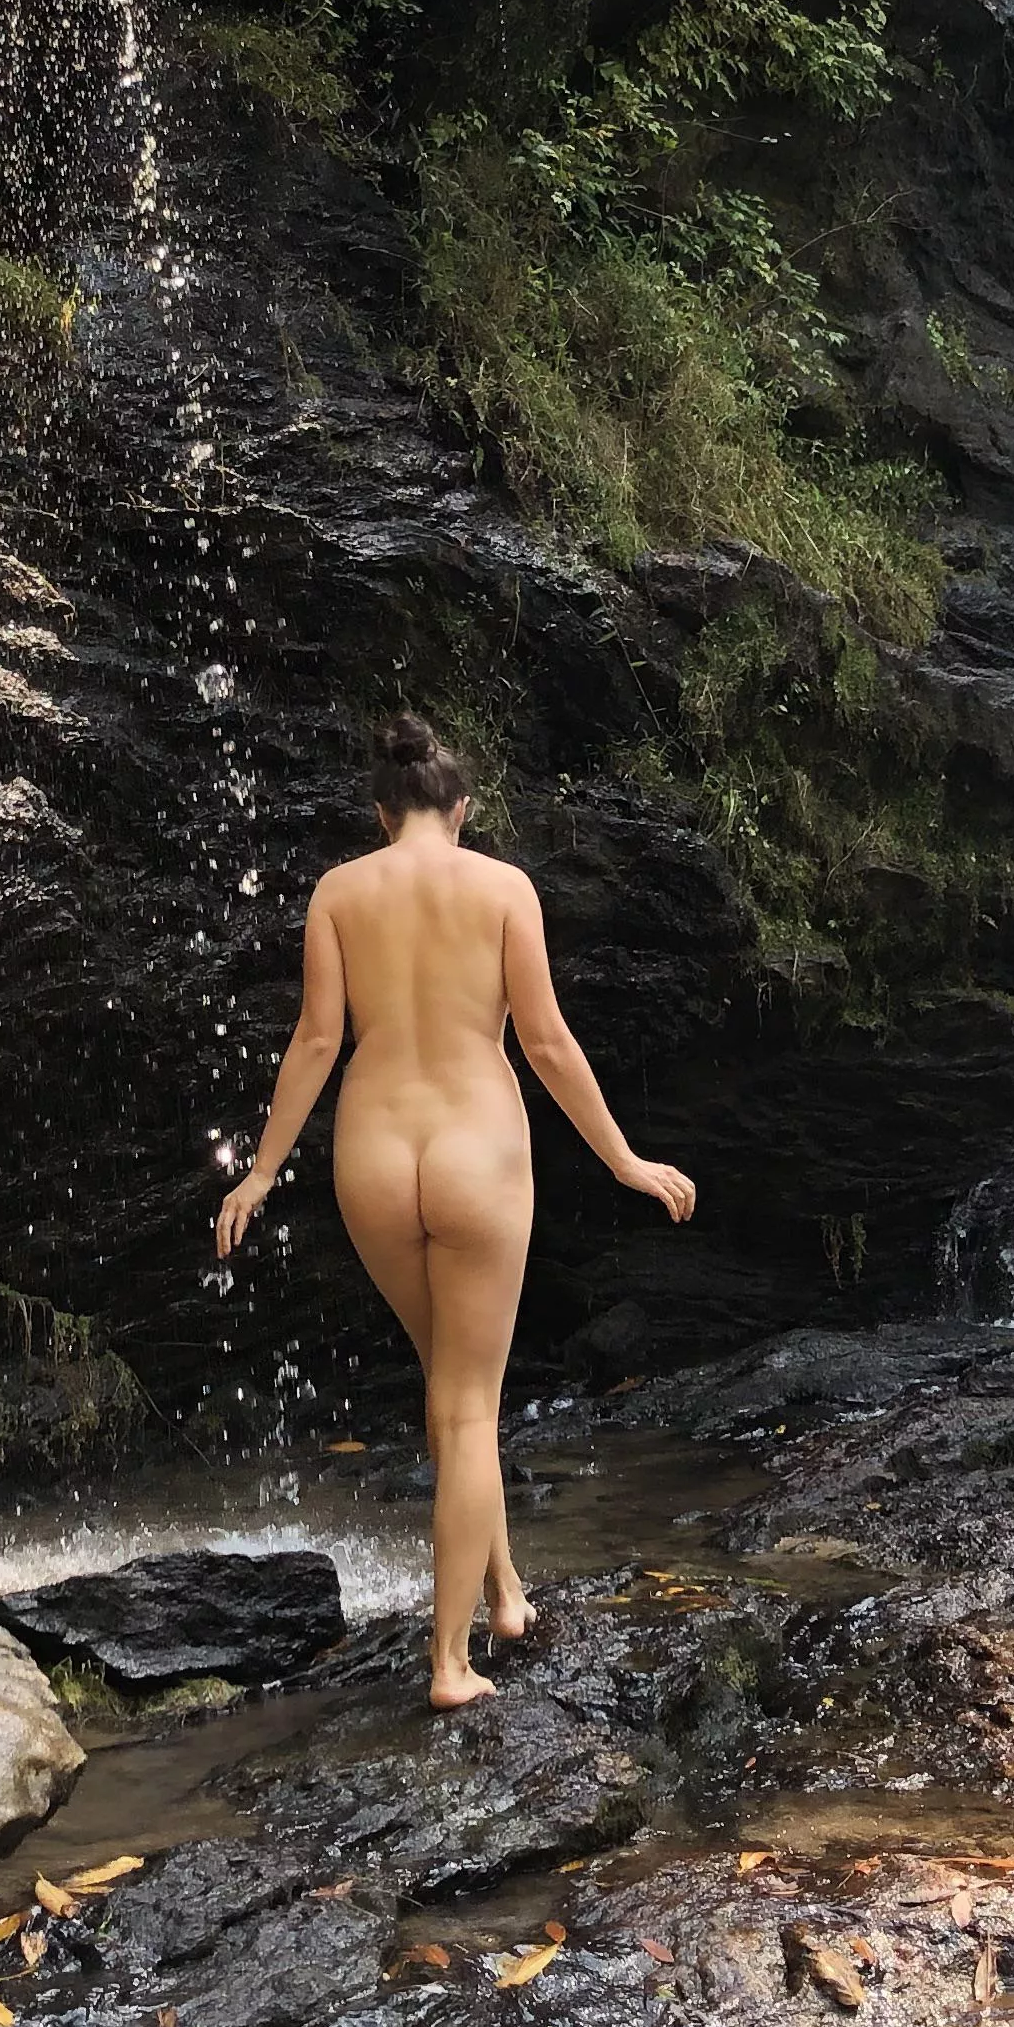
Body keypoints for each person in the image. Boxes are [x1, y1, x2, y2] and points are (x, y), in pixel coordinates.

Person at [214, 712, 697, 1709]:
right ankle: (450, 1663)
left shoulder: (340, 892)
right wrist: (623, 1159)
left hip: (375, 1152)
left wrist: (262, 1172)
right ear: (463, 809)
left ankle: (508, 1594)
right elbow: (549, 1042)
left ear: (381, 812)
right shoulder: (504, 887)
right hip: (479, 1148)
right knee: (471, 1407)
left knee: (447, 1385)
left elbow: (314, 1040)